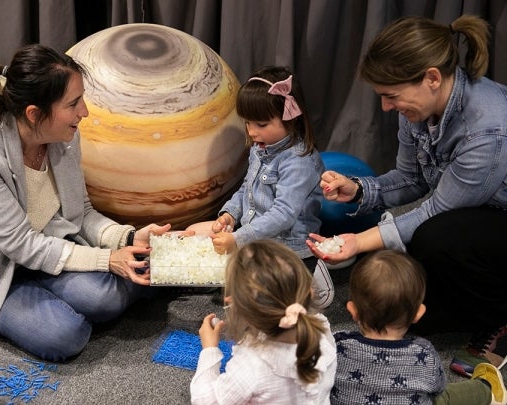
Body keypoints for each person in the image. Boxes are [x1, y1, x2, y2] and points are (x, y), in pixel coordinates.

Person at [0, 43, 171, 362]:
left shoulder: (62, 135)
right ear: (35, 113)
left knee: (102, 299)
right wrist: (108, 261)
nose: (85, 112)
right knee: (64, 335)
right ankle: (156, 272)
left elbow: (82, 214)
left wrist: (128, 238)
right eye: (74, 103)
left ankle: (155, 267)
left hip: (51, 248)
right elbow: (19, 245)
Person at [305, 14, 507, 369]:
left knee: (434, 238)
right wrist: (356, 190)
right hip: (478, 216)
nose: (386, 107)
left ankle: (500, 318)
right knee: (400, 295)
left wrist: (355, 241)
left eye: (391, 96)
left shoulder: (488, 129)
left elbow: (436, 210)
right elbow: (410, 179)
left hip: (492, 219)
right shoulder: (419, 107)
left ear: (431, 78)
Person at [186, 66, 333, 309]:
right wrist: (229, 214)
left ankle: (310, 274)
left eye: (261, 124)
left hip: (287, 247)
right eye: (248, 123)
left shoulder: (298, 161)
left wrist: (237, 238)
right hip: (254, 236)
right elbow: (246, 188)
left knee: (256, 302)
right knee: (194, 231)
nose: (252, 131)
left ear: (291, 117)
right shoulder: (260, 148)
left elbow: (283, 215)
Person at [332, 249, 506, 405]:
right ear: (418, 313)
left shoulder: (335, 346)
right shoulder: (423, 353)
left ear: (352, 310)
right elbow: (437, 387)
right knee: (442, 397)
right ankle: (487, 390)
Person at [190, 240, 336, 404]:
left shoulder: (251, 365)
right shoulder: (321, 325)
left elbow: (204, 401)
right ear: (308, 292)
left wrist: (209, 350)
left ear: (237, 307)